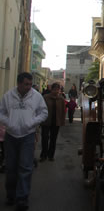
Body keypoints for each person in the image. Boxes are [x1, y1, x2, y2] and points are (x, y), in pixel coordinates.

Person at [0, 72, 48, 210]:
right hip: (11, 136)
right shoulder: (8, 96)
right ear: (19, 83)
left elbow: (44, 113)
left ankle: (22, 198)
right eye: (26, 84)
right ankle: (11, 195)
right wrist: (8, 123)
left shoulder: (36, 96)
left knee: (25, 167)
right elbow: (1, 112)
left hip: (28, 135)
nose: (29, 87)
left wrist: (32, 122)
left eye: (30, 84)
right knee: (11, 167)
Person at [39, 83, 66, 162]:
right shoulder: (45, 98)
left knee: (53, 139)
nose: (56, 91)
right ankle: (43, 155)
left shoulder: (61, 99)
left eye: (58, 89)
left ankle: (51, 155)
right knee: (45, 138)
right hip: (46, 121)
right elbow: (41, 109)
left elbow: (63, 111)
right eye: (55, 89)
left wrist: (62, 121)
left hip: (56, 122)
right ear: (51, 89)